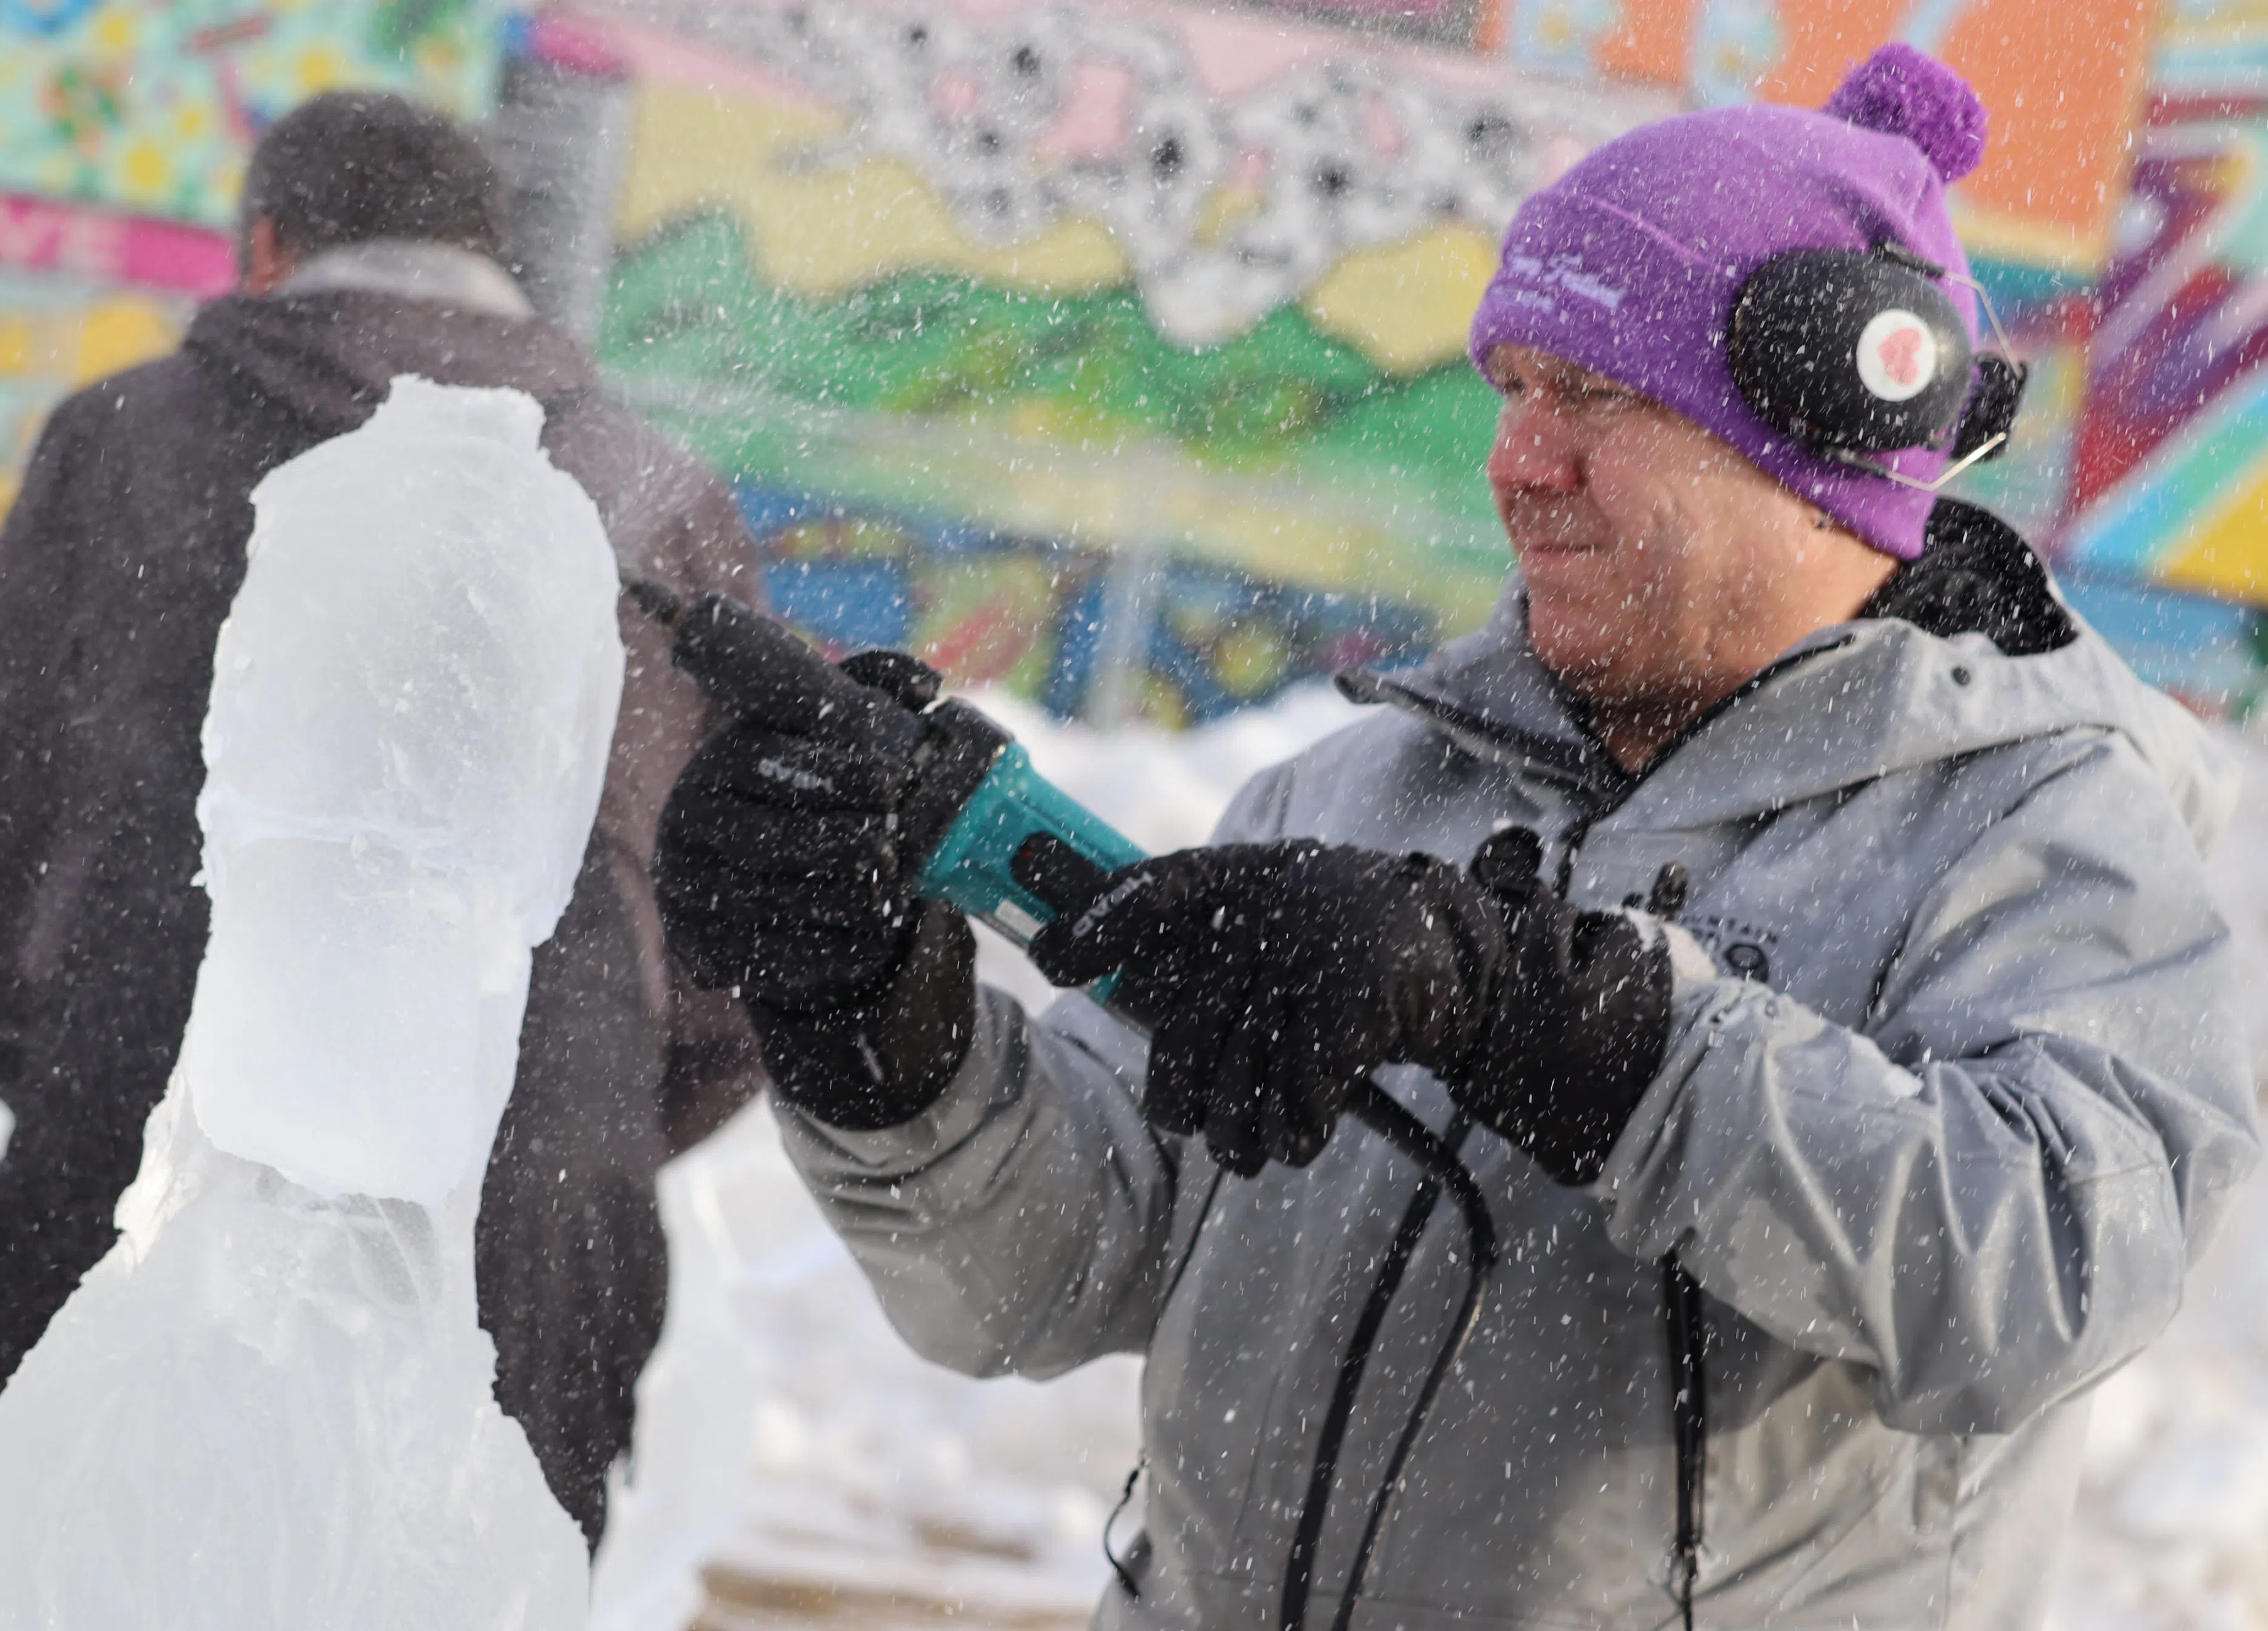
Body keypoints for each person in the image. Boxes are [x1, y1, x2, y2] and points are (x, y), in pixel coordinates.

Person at [650, 45, 2261, 1631]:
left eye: (1593, 397)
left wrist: (1568, 1025)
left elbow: (2055, 1263)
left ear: (1829, 446)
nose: (1515, 459)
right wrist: (873, 1013)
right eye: (1511, 388)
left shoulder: (2049, 835)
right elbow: (1052, 1274)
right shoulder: (1369, 787)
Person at [0, 91, 763, 1628]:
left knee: (10, 1578)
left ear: (267, 247)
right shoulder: (650, 497)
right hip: (529, 1231)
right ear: (500, 265)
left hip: (142, 1160)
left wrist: (55, 1018)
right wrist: (559, 1133)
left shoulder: (135, 438)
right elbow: (734, 964)